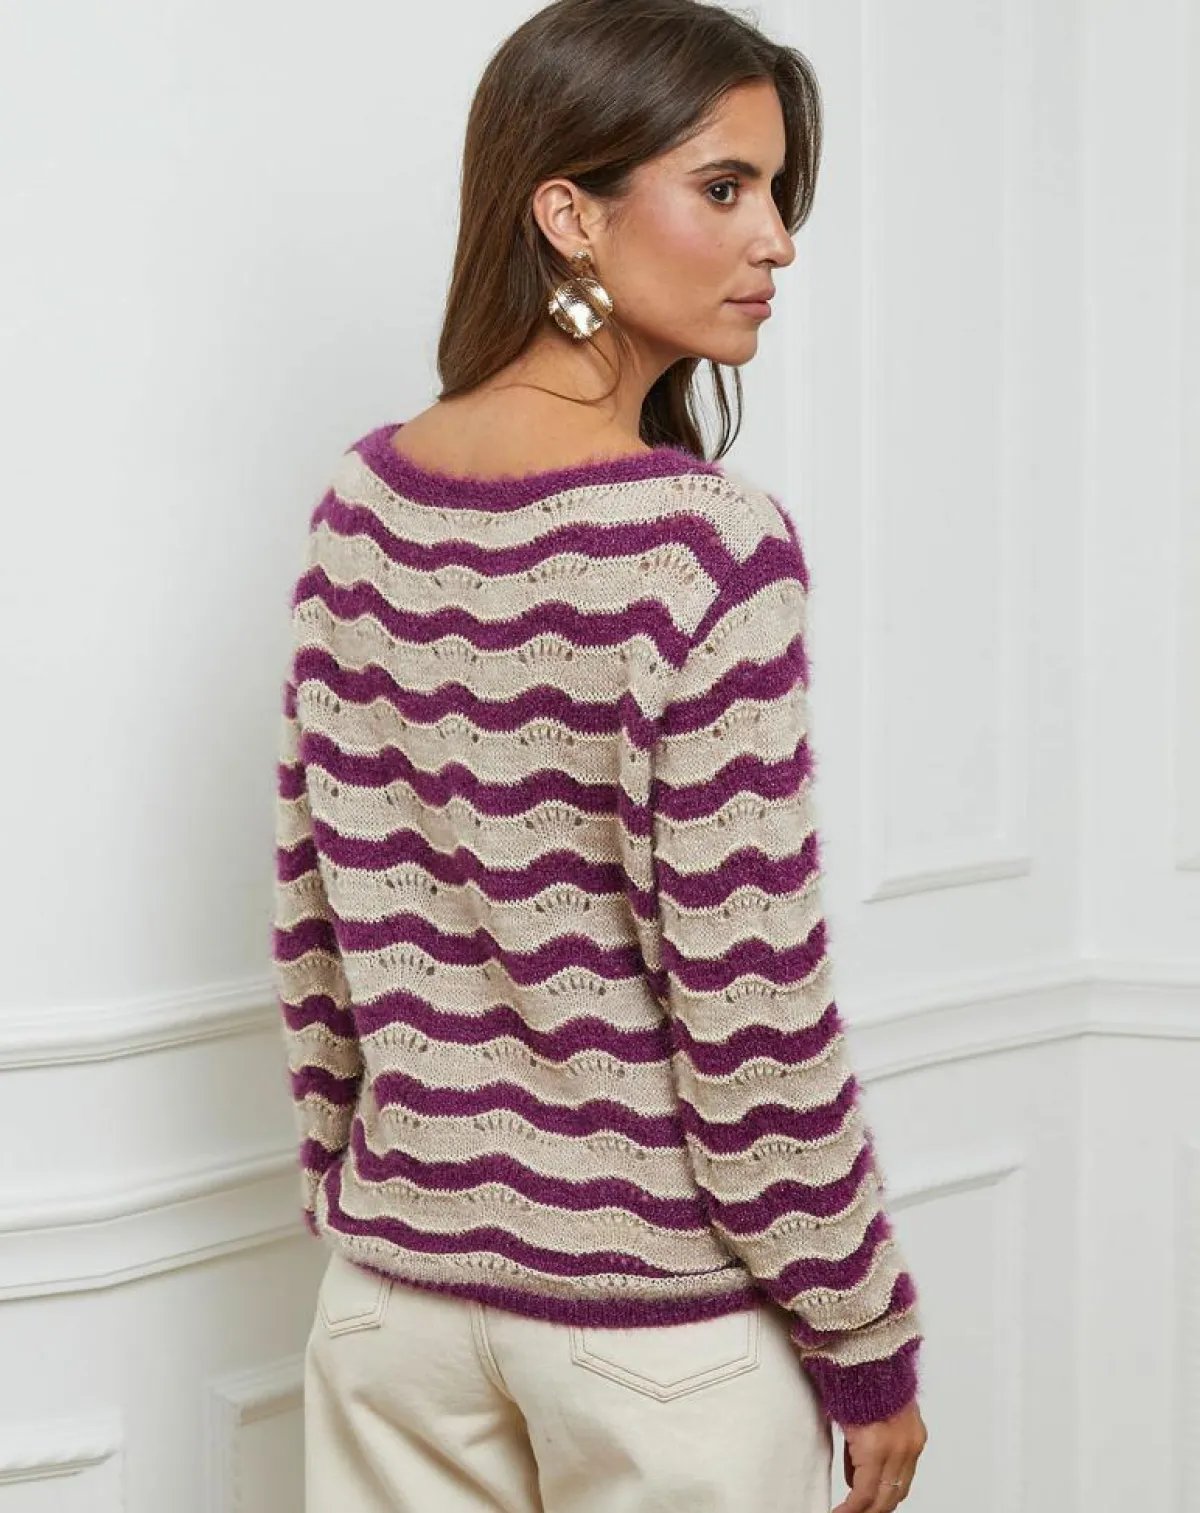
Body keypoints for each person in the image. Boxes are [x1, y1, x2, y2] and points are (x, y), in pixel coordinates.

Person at [271, 2, 928, 1509]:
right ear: (569, 213)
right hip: (657, 1338)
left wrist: (361, 1189)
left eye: (778, 192)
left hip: (390, 1311)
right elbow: (750, 1008)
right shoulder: (704, 550)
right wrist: (864, 1339)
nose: (776, 240)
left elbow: (315, 925)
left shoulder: (361, 511)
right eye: (725, 187)